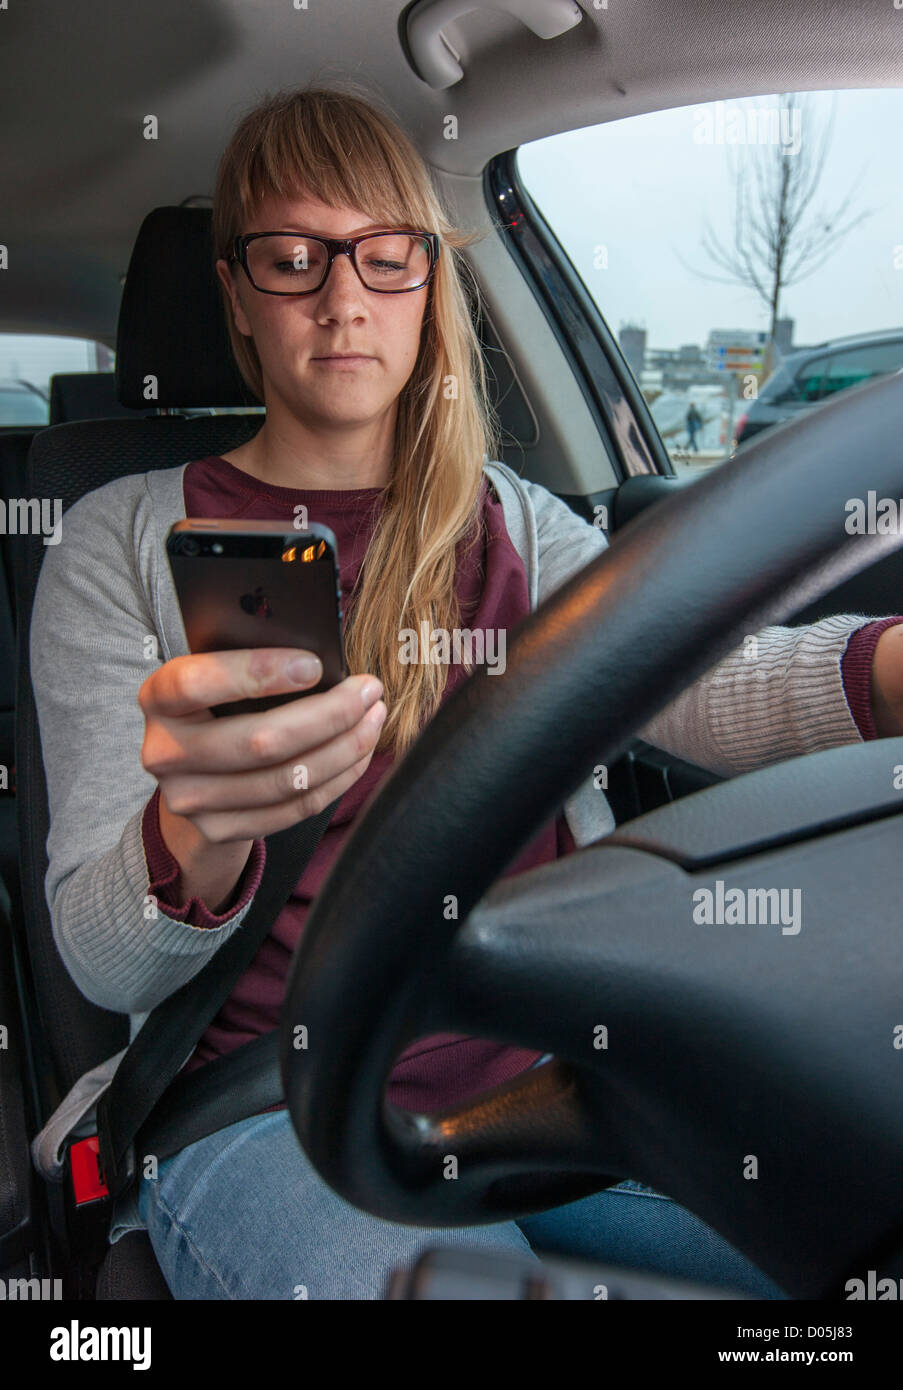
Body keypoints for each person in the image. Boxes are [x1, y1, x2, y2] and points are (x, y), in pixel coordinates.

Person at [29, 85, 903, 1300]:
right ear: (235, 291)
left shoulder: (518, 526)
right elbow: (101, 960)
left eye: (384, 260)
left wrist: (889, 668)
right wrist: (193, 834)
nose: (344, 299)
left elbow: (712, 681)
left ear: (429, 281)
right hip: (271, 1112)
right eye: (293, 260)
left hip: (553, 1092)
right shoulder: (112, 543)